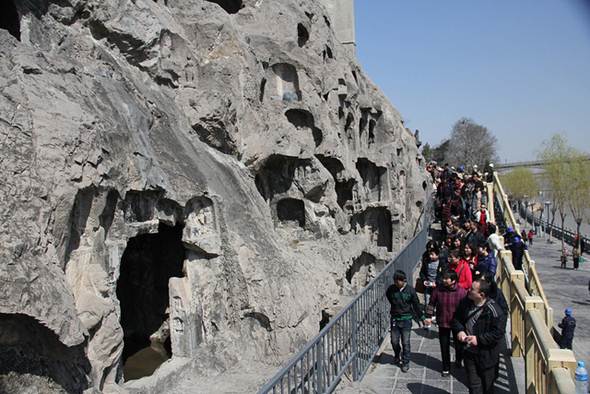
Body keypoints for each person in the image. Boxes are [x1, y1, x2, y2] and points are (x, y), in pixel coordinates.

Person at [452, 279, 507, 394]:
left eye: (472, 289)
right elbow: (456, 318)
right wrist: (460, 331)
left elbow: (498, 333)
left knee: (487, 387)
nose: (469, 290)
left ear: (481, 295)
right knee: (474, 385)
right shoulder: (465, 303)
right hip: (469, 352)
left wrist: (479, 339)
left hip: (487, 356)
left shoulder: (494, 311)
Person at [425, 270, 468, 376]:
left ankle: (458, 360)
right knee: (444, 346)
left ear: (453, 281)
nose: (443, 280)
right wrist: (428, 317)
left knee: (459, 345)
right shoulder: (438, 290)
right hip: (443, 322)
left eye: (446, 279)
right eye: (443, 278)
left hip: (458, 324)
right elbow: (431, 304)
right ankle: (446, 367)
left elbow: (467, 308)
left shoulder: (462, 292)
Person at [385, 270, 425, 372]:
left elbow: (416, 304)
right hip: (395, 319)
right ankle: (397, 355)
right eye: (395, 280)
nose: (396, 283)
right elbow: (389, 297)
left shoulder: (411, 290)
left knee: (405, 342)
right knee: (394, 341)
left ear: (404, 281)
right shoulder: (391, 289)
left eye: (398, 281)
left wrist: (422, 317)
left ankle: (405, 361)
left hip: (406, 319)